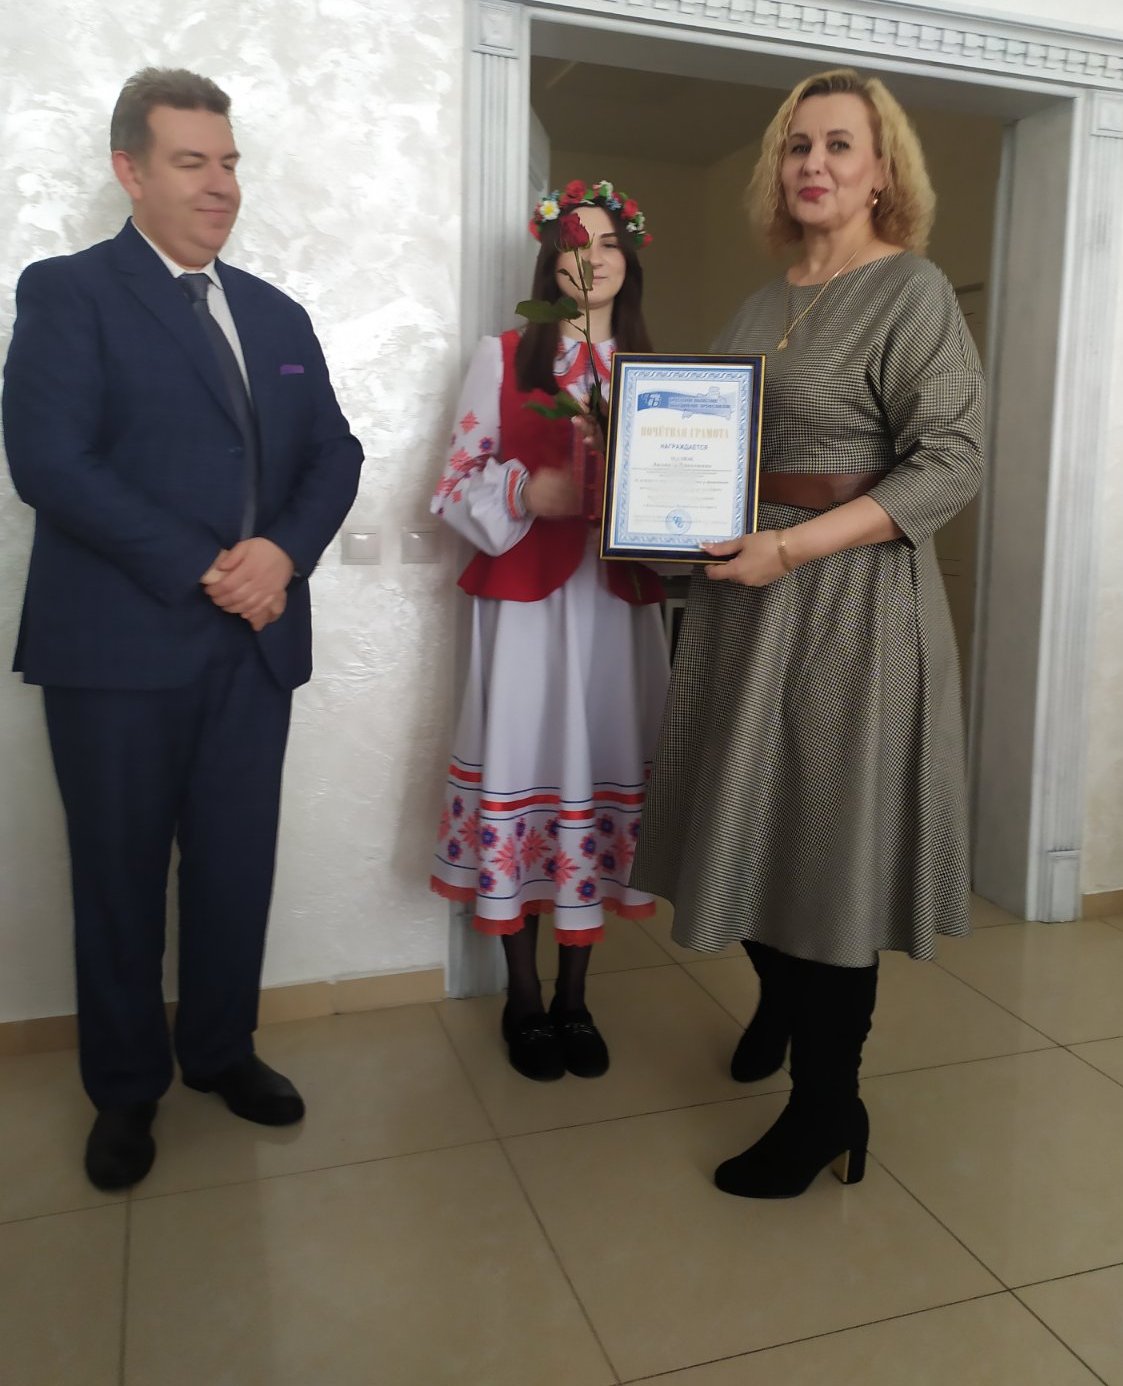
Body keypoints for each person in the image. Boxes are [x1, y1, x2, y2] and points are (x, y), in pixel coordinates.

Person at [2, 68, 363, 1190]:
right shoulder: (69, 291)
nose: (221, 185)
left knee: (234, 867)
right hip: (117, 651)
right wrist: (209, 567)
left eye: (230, 162)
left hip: (254, 647)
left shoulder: (275, 313)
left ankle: (219, 1050)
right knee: (117, 880)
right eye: (192, 162)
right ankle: (124, 1090)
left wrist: (282, 554)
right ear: (131, 170)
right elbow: (49, 461)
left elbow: (334, 453)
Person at [631, 69, 984, 1197]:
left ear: (882, 171)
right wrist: (663, 510)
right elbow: (716, 449)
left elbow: (952, 462)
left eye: (838, 144)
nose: (814, 164)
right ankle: (780, 1003)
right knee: (735, 815)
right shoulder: (757, 303)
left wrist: (794, 549)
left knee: (827, 849)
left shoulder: (910, 291)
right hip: (745, 605)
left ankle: (829, 1106)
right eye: (797, 145)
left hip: (850, 607)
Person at [430, 180, 669, 1082]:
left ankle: (576, 998)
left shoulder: (657, 371)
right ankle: (523, 1000)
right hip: (528, 608)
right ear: (548, 261)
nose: (591, 258)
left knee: (598, 774)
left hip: (615, 610)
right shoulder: (502, 358)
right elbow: (453, 487)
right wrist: (534, 490)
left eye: (607, 243)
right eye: (574, 243)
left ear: (627, 260)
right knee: (523, 773)